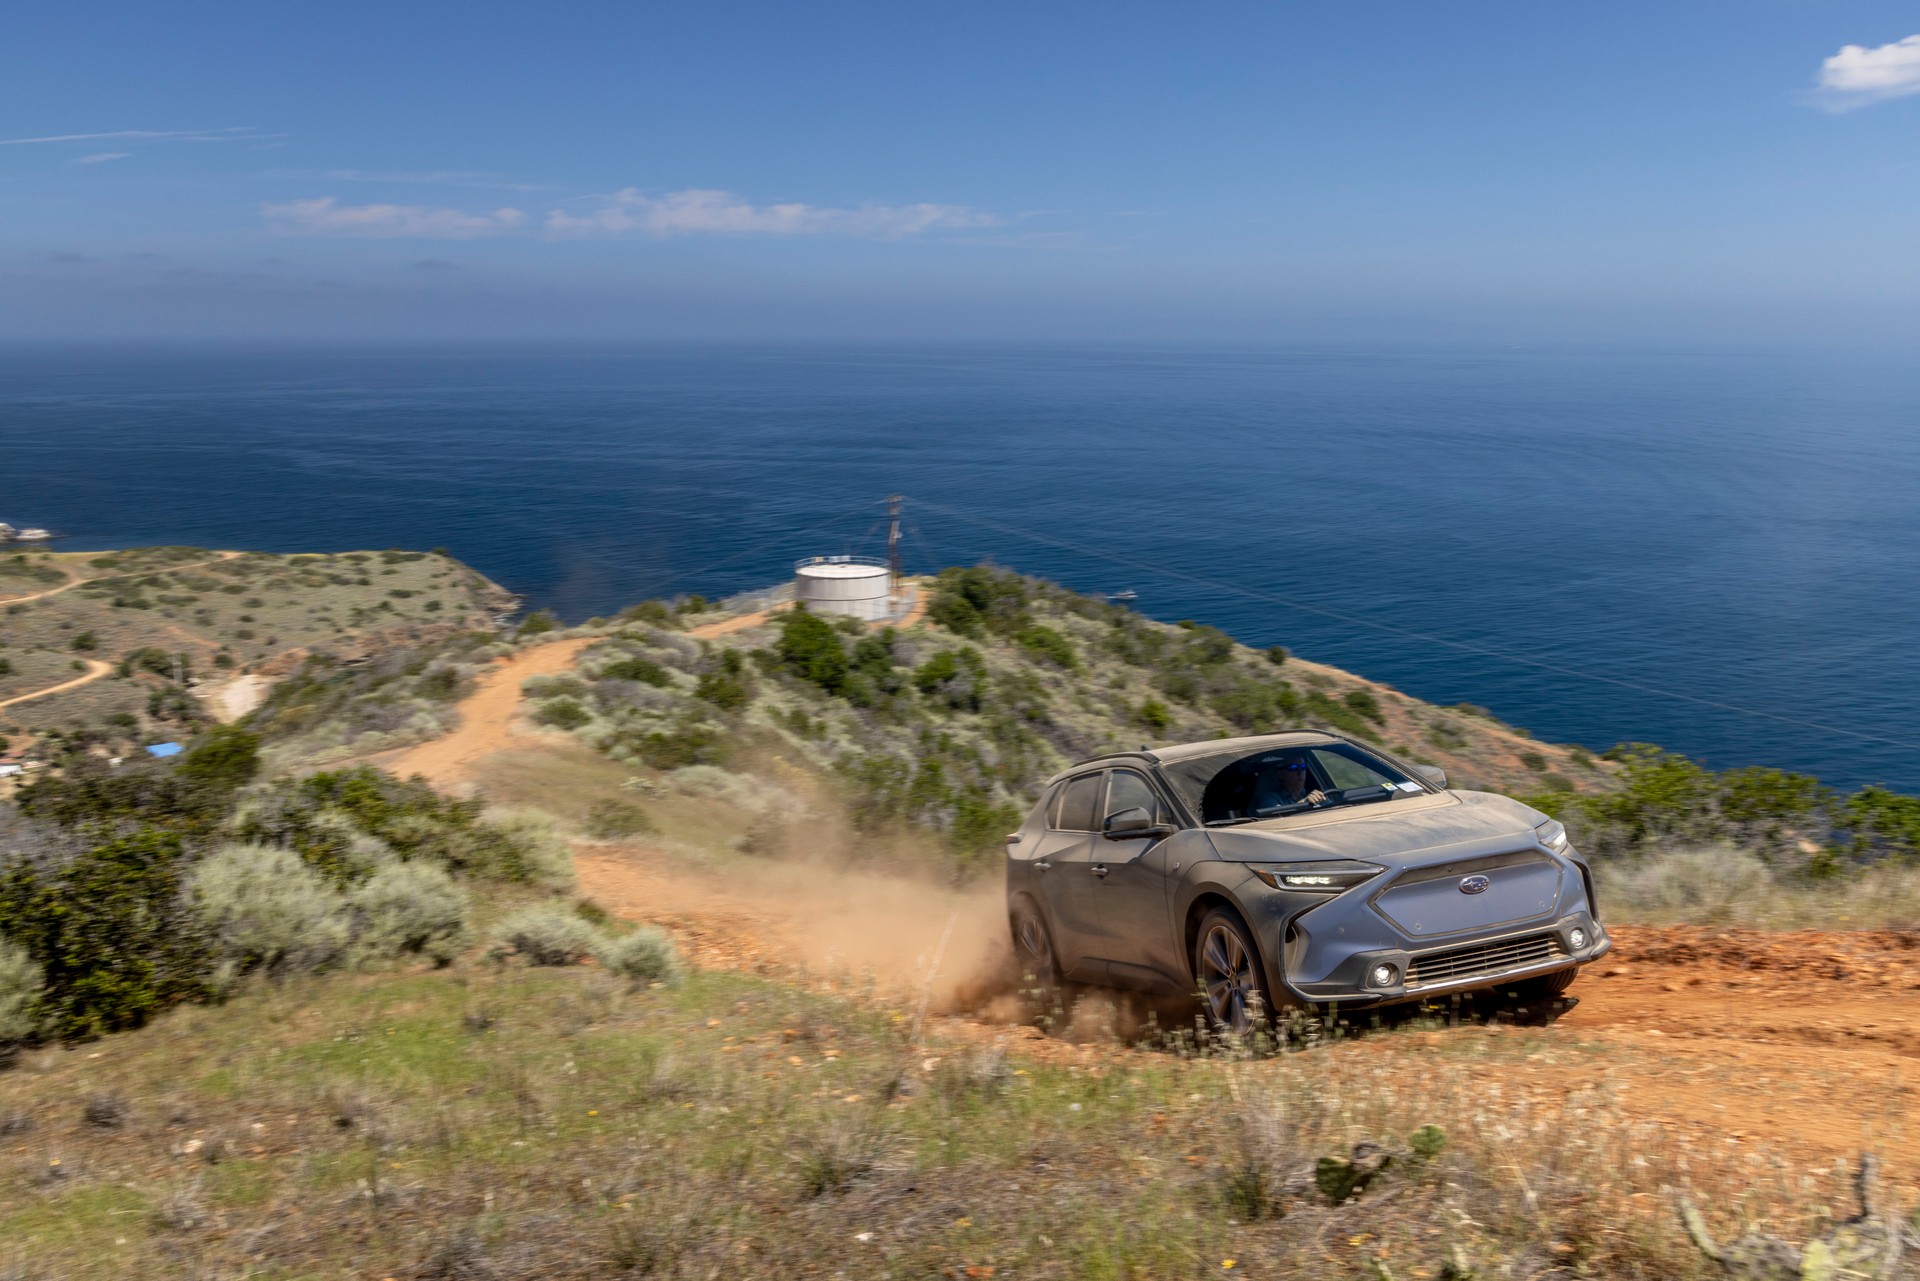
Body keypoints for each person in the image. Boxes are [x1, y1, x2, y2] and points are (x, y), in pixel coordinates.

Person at [1252, 758, 1326, 813]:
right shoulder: (1268, 799)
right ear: (1280, 774)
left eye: (1303, 767)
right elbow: (1280, 819)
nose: (1300, 772)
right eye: (1293, 768)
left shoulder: (1316, 794)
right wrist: (1305, 804)